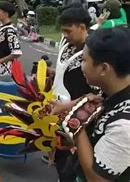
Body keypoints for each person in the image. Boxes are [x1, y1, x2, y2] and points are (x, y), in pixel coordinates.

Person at [55, 28, 130, 181]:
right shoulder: (109, 92)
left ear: (104, 68)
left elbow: (97, 178)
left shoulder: (124, 126)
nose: (81, 66)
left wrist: (77, 127)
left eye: (83, 60)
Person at [52, 7, 99, 182]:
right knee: (60, 160)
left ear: (82, 27)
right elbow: (65, 73)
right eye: (63, 31)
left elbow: (97, 96)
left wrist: (66, 106)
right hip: (59, 115)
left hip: (81, 121)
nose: (65, 35)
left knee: (73, 168)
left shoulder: (95, 53)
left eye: (68, 31)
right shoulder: (67, 46)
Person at [0, 0, 22, 75]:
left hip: (5, 70)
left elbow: (17, 53)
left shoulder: (10, 30)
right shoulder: (1, 28)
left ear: (6, 14)